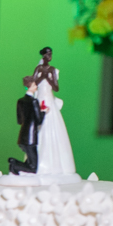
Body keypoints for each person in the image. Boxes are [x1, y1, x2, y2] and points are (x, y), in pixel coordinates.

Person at [32, 46, 77, 176]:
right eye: (47, 54)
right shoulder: (38, 69)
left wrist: (49, 78)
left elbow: (56, 88)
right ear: (43, 56)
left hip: (49, 99)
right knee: (40, 125)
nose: (49, 56)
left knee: (52, 125)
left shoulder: (52, 70)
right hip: (41, 99)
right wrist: (42, 77)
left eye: (50, 54)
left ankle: (55, 163)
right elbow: (34, 83)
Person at [9, 75, 44, 175]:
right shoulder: (34, 101)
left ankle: (15, 167)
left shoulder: (20, 101)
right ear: (31, 86)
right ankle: (14, 164)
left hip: (22, 137)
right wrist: (44, 111)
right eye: (35, 85)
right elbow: (39, 120)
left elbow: (19, 120)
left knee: (29, 161)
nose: (36, 86)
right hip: (31, 138)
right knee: (33, 167)